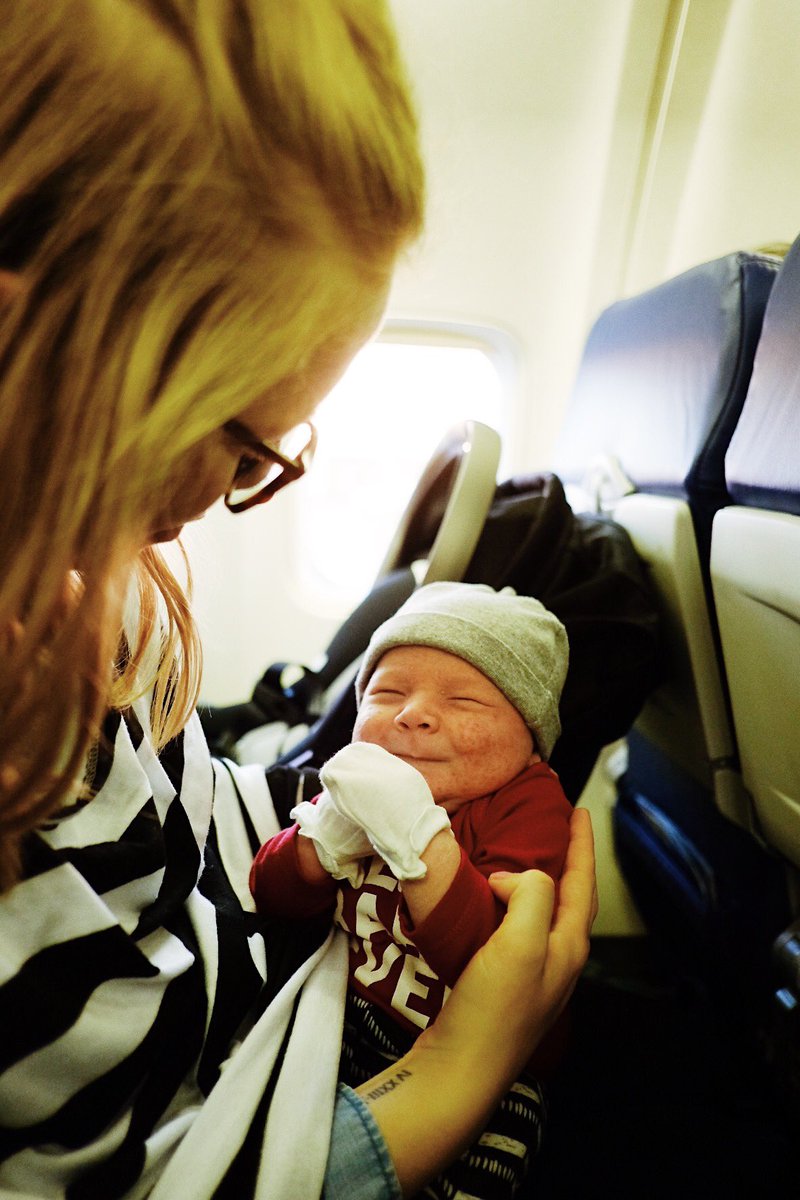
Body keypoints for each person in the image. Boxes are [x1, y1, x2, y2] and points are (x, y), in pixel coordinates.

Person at [0, 3, 597, 1198]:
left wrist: (348, 795)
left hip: (267, 1018)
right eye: (236, 443)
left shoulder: (80, 595)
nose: (225, 499)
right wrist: (465, 1065)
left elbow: (170, 819)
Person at [251, 582, 572, 1198]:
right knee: (280, 1109)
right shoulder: (368, 783)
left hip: (492, 1055)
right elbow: (271, 893)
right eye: (387, 692)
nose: (413, 713)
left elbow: (500, 968)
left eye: (465, 700)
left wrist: (420, 840)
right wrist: (326, 840)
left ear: (531, 742)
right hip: (348, 1018)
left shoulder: (528, 804)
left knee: (495, 1151)